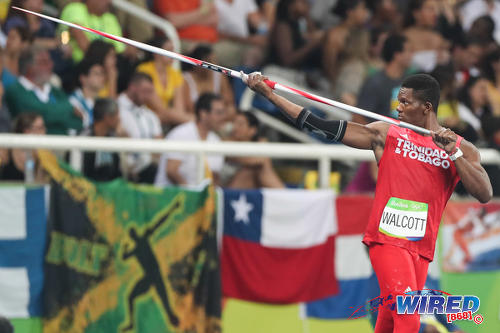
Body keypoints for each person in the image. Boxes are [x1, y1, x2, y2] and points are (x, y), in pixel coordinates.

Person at [244, 72, 492, 333]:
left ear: (427, 107)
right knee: (408, 320)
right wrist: (271, 95)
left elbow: (484, 192)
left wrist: (454, 153)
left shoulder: (461, 148)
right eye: (399, 101)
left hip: (421, 250)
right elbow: (318, 125)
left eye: (406, 102)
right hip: (387, 241)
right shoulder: (386, 134)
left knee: (387, 322)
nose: (398, 107)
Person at [5, 46, 83, 135]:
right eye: (44, 62)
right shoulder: (15, 90)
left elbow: (77, 122)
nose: (50, 65)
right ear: (29, 66)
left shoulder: (55, 91)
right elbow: (42, 114)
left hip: (62, 145)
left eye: (49, 61)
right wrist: (70, 108)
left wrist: (52, 114)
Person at [155, 93, 226, 187]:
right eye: (218, 113)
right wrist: (192, 193)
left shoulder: (216, 141)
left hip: (200, 196)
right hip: (170, 195)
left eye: (222, 113)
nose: (222, 118)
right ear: (203, 114)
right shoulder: (181, 134)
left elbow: (215, 176)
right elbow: (171, 171)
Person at [117, 72, 162, 184]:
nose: (147, 96)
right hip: (125, 170)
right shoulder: (117, 110)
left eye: (150, 92)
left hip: (150, 169)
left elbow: (159, 145)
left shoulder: (151, 116)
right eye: (145, 91)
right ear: (132, 87)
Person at [136, 36, 191, 126]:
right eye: (169, 50)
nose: (173, 54)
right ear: (156, 53)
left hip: (168, 118)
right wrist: (187, 118)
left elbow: (179, 110)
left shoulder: (176, 74)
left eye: (173, 50)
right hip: (146, 115)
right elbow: (159, 108)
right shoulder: (144, 70)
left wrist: (177, 116)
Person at [221, 111, 284, 189]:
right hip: (224, 186)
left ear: (252, 130)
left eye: (240, 124)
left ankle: (282, 193)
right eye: (234, 123)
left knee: (257, 167)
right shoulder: (226, 142)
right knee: (251, 168)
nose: (235, 127)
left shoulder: (258, 144)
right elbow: (254, 160)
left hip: (249, 185)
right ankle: (283, 193)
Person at [81, 98, 122, 182]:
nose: (119, 119)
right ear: (108, 117)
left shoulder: (112, 139)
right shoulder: (82, 140)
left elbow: (117, 173)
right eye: (117, 115)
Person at [0, 112, 46, 182]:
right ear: (27, 131)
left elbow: (41, 185)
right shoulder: (6, 151)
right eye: (40, 128)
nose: (44, 131)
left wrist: (41, 163)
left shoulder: (43, 154)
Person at [69, 59, 105, 130]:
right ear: (83, 78)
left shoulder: (102, 101)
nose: (102, 78)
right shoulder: (72, 101)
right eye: (97, 74)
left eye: (103, 74)